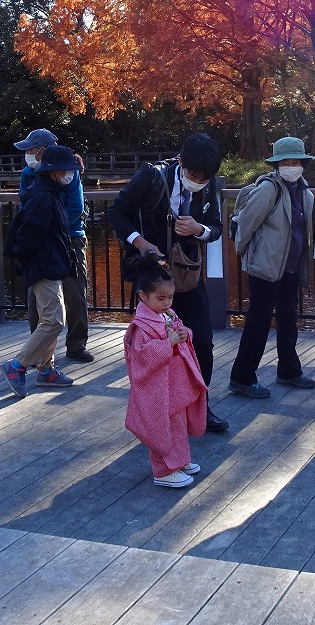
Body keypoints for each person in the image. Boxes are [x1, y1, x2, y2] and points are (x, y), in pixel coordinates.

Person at [110, 132, 229, 433]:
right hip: (152, 277)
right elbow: (117, 212)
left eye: (204, 178)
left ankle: (200, 406)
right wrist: (140, 243)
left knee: (201, 340)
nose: (198, 181)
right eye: (193, 175)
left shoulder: (208, 186)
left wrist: (198, 229)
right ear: (180, 161)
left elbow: (216, 228)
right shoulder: (151, 177)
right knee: (154, 345)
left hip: (187, 275)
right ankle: (156, 411)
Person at [229, 136, 315, 398]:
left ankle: (289, 370)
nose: (291, 167)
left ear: (303, 164)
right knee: (258, 322)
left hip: (290, 267)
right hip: (266, 266)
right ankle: (242, 377)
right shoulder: (269, 189)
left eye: (296, 162)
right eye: (285, 162)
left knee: (289, 319)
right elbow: (246, 222)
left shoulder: (305, 192)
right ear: (276, 165)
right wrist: (244, 252)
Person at [0, 144, 83, 396]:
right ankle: (17, 365)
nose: (70, 174)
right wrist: (25, 261)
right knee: (55, 320)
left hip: (50, 264)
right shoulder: (43, 197)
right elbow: (29, 235)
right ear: (56, 171)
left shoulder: (49, 192)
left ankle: (46, 370)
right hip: (43, 265)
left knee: (49, 318)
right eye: (67, 170)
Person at [124, 256, 208, 488]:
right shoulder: (141, 325)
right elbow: (142, 354)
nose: (166, 303)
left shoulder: (168, 315)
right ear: (143, 296)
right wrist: (168, 342)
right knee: (159, 425)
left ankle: (180, 460)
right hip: (157, 387)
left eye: (170, 297)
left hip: (173, 382)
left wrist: (185, 334)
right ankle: (162, 471)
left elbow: (180, 333)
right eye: (160, 298)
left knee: (177, 423)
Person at [15, 128, 92, 362]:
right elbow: (23, 205)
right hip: (42, 240)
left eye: (31, 149)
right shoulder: (28, 173)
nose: (28, 154)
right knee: (35, 298)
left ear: (43, 151)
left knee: (75, 292)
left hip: (71, 237)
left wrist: (53, 226)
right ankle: (37, 352)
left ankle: (76, 345)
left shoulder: (69, 170)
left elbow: (76, 206)